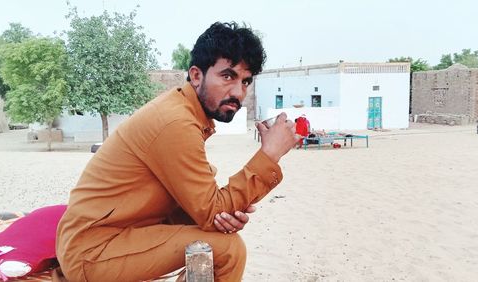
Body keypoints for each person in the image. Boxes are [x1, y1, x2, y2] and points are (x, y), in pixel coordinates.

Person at [55, 22, 298, 282]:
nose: (238, 92)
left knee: (219, 240)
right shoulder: (175, 122)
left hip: (115, 235)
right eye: (228, 76)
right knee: (229, 250)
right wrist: (269, 155)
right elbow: (212, 210)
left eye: (246, 81)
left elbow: (203, 208)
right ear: (196, 75)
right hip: (93, 251)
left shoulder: (185, 114)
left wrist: (224, 216)